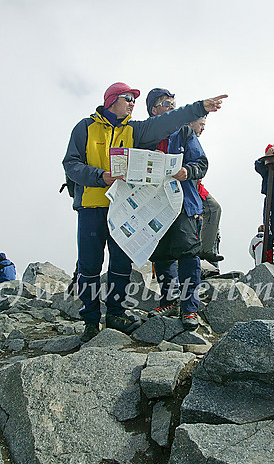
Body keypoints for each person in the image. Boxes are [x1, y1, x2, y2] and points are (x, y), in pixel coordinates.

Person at [63, 82, 227, 342]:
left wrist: (199, 107)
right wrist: (100, 177)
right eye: (127, 98)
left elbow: (169, 121)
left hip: (124, 209)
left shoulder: (135, 130)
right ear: (111, 100)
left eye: (134, 100)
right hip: (92, 207)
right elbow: (70, 164)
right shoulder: (85, 127)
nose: (131, 103)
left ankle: (116, 313)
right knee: (90, 266)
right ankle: (91, 320)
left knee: (120, 264)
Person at [145, 88, 208, 330]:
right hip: (153, 204)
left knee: (188, 252)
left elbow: (201, 163)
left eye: (173, 103)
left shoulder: (184, 132)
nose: (171, 106)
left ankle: (190, 308)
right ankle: (168, 299)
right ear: (153, 110)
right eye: (165, 103)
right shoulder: (143, 135)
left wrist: (187, 172)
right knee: (161, 254)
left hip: (183, 203)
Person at [191, 117, 224, 264]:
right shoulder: (184, 137)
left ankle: (206, 249)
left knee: (214, 208)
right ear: (191, 123)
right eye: (201, 124)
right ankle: (205, 250)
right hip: (186, 186)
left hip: (195, 186)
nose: (203, 128)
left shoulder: (193, 139)